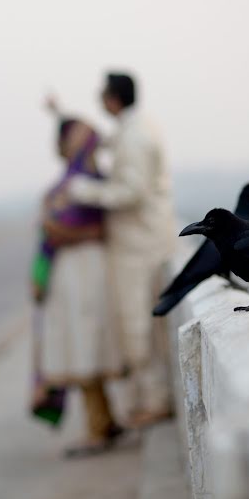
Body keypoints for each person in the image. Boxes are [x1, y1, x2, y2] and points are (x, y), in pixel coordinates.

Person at [60, 72, 177, 428]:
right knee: (141, 321)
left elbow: (132, 192)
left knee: (137, 322)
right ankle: (152, 397)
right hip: (144, 240)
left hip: (138, 245)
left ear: (113, 99)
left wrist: (84, 191)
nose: (98, 101)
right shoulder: (135, 128)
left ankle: (156, 401)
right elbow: (104, 141)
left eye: (101, 95)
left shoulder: (136, 136)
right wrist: (58, 114)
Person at [31, 117, 126, 457]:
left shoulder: (86, 184)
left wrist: (63, 232)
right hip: (71, 271)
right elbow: (50, 229)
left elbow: (69, 229)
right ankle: (103, 421)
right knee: (80, 340)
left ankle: (99, 428)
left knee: (87, 340)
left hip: (86, 268)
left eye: (69, 137)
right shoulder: (68, 184)